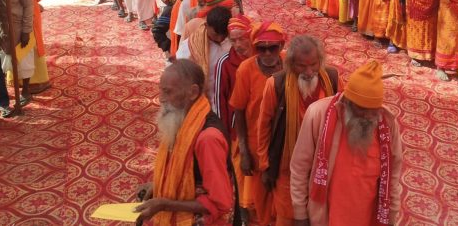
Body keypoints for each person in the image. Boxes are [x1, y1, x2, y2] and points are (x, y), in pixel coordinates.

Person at [290, 60, 403, 226]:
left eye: (372, 110)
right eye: (361, 109)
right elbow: (299, 167)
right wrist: (300, 213)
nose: (366, 116)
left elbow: (393, 173)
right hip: (326, 218)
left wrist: (391, 215)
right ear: (347, 102)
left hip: (366, 218)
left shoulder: (386, 124)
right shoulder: (318, 114)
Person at [133, 60, 233, 226]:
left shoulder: (208, 139)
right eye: (161, 90)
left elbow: (219, 203)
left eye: (168, 92)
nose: (161, 99)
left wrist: (165, 204)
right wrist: (158, 185)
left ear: (193, 92)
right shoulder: (183, 119)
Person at [257, 35, 338, 226]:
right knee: (288, 216)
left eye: (314, 65)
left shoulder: (332, 78)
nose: (309, 72)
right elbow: (264, 126)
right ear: (291, 64)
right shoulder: (275, 84)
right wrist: (265, 165)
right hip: (287, 168)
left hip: (323, 165)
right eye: (302, 66)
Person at [230, 21, 286, 225]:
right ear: (255, 48)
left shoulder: (290, 64)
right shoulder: (246, 69)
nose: (268, 53)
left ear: (281, 46)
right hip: (256, 146)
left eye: (273, 48)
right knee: (261, 199)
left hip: (285, 144)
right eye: (262, 48)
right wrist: (244, 151)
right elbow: (239, 109)